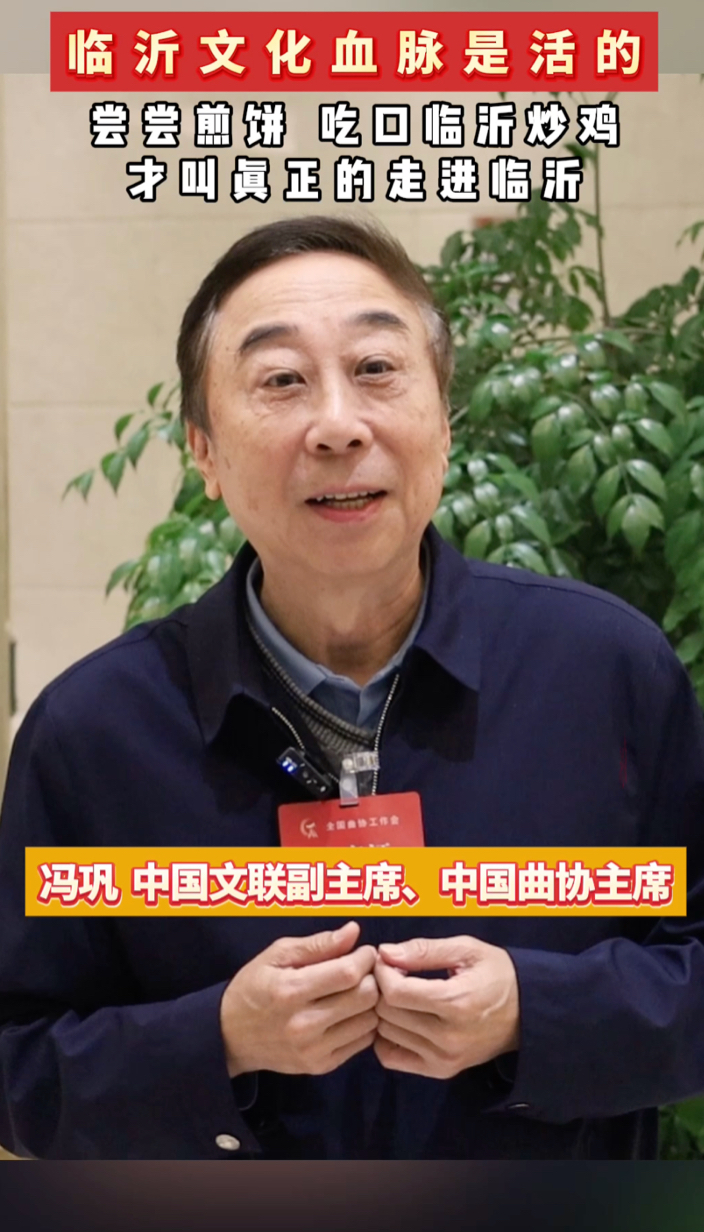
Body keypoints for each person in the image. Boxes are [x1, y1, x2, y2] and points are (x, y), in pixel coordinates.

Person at [0, 215, 703, 1161]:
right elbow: (18, 1061)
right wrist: (216, 1041)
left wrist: (535, 1013)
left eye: (376, 369)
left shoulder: (605, 674)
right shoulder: (95, 732)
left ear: (444, 424)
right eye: (281, 380)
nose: (338, 425)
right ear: (204, 452)